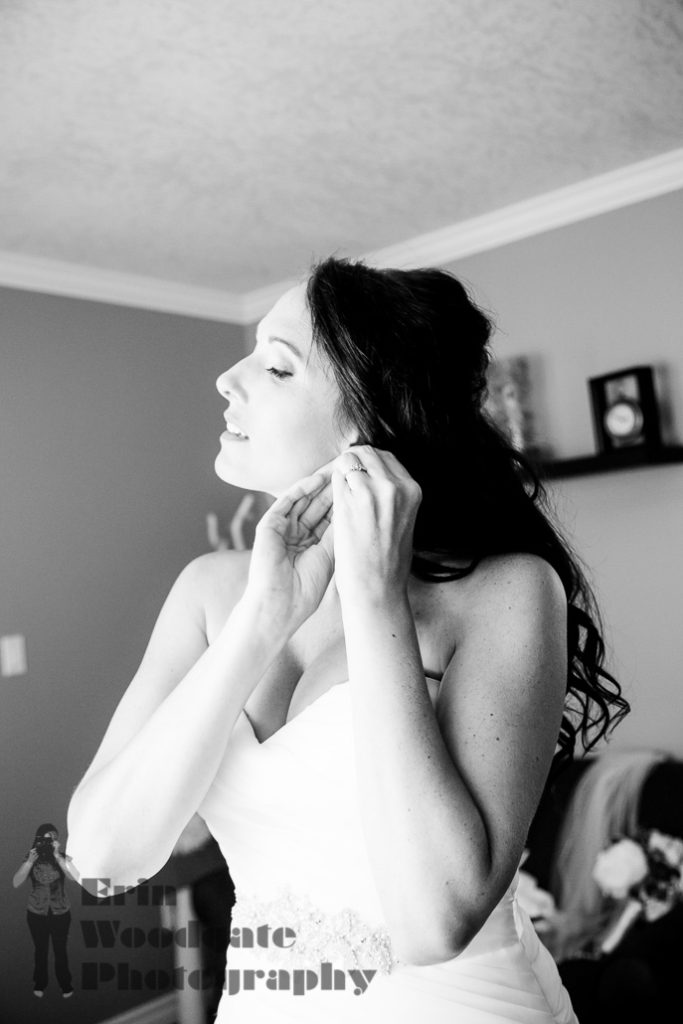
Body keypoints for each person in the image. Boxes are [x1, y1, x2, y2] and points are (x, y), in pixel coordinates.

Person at [66, 256, 630, 1021]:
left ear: (367, 424)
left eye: (276, 366)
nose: (226, 380)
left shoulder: (507, 593)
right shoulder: (207, 593)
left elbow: (434, 923)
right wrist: (263, 618)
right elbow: (102, 860)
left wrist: (374, 600)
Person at [13, 823, 78, 998]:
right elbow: (16, 882)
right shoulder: (31, 857)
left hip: (60, 911)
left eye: (54, 838)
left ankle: (65, 984)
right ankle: (40, 983)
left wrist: (58, 856)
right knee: (40, 950)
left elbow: (74, 877)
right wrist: (29, 862)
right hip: (36, 912)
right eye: (47, 839)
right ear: (39, 839)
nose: (50, 842)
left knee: (60, 950)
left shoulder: (62, 857)